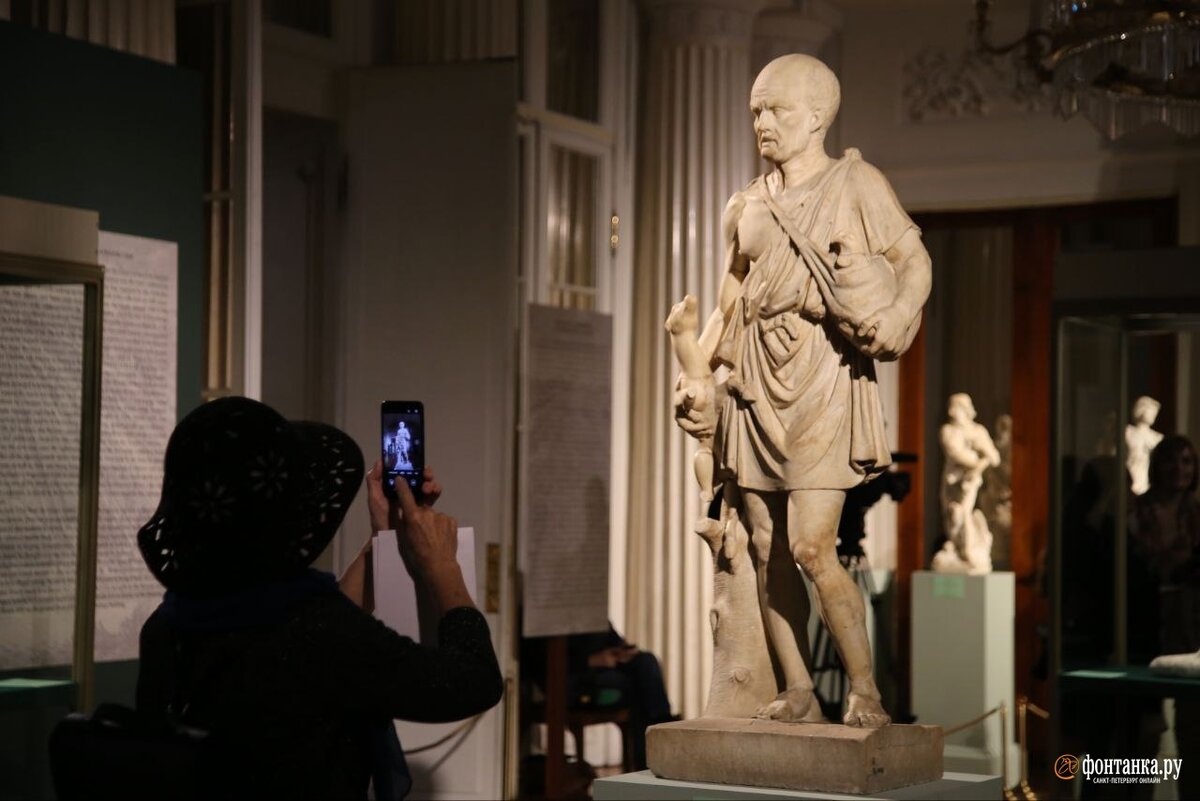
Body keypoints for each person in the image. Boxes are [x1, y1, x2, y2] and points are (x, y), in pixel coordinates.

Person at [674, 54, 931, 727]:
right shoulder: (747, 203)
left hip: (823, 378)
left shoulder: (856, 183)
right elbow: (730, 300)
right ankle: (798, 687)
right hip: (756, 382)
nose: (763, 121)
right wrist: (697, 371)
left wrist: (898, 314)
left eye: (777, 109)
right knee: (764, 545)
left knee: (812, 545)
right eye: (757, 109)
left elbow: (914, 261)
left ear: (817, 116)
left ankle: (865, 689)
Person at [135, 397, 502, 799]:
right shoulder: (318, 634)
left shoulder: (168, 626)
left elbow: (304, 635)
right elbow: (472, 682)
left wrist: (386, 543)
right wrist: (442, 565)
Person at [523, 624, 676, 772]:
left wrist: (622, 652)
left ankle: (661, 728)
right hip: (575, 684)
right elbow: (538, 661)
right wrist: (591, 660)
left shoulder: (592, 613)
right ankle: (655, 750)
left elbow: (615, 641)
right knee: (636, 689)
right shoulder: (548, 617)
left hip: (606, 674)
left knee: (646, 661)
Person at [931, 393, 1001, 575]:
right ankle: (957, 547)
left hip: (969, 481)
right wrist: (976, 460)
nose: (951, 411)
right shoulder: (948, 430)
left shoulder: (977, 431)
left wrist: (980, 461)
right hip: (951, 480)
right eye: (950, 407)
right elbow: (955, 453)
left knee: (962, 512)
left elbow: (994, 457)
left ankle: (968, 550)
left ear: (964, 409)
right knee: (950, 514)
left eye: (954, 406)